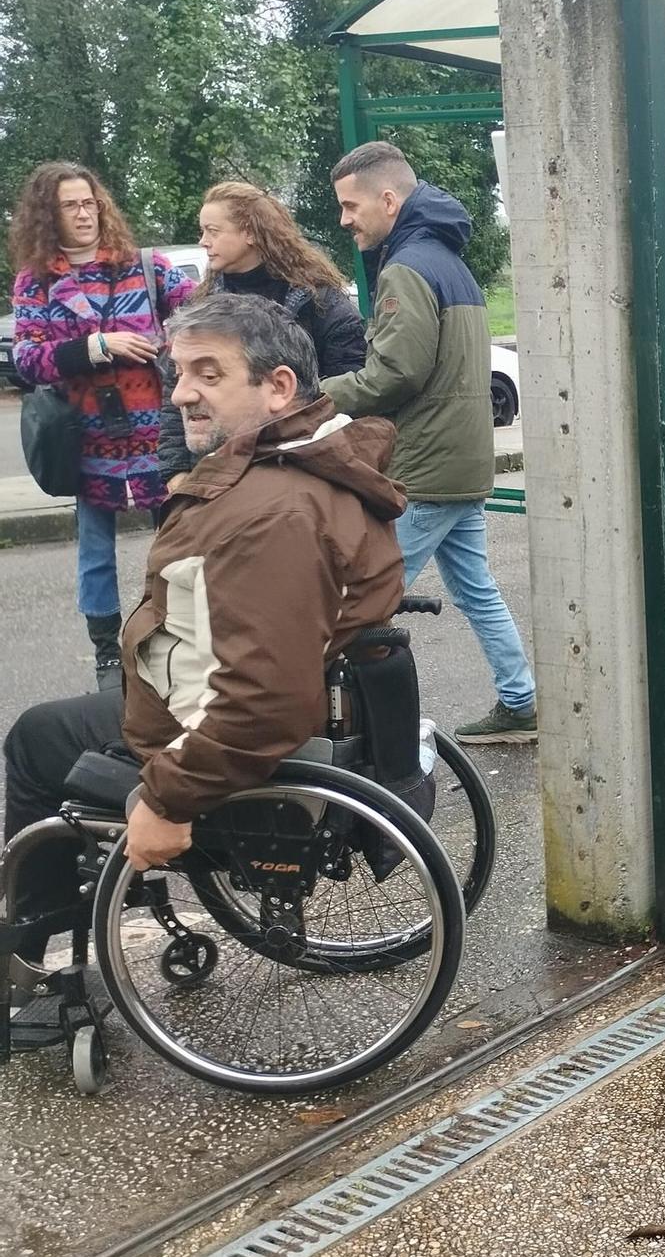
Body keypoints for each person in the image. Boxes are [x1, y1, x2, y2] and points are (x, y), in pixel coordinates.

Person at [2, 293, 405, 970]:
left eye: (208, 374)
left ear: (279, 388)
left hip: (212, 735)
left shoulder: (270, 512)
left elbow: (262, 702)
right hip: (234, 691)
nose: (181, 392)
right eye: (179, 371)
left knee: (39, 738)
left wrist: (166, 799)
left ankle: (32, 963)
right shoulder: (304, 463)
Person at [321, 140, 536, 746]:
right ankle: (520, 700)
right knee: (475, 588)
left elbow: (397, 373)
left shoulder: (406, 267)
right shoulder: (448, 260)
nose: (345, 220)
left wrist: (318, 396)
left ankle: (365, 735)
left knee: (361, 600)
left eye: (349, 205)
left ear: (387, 199)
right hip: (462, 458)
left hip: (425, 467)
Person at [8, 161, 194, 689]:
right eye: (70, 205)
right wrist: (97, 346)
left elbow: (204, 318)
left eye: (89, 202)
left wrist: (179, 346)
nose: (84, 213)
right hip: (88, 437)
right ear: (50, 213)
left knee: (177, 542)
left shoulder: (147, 268)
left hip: (161, 432)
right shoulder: (36, 282)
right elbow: (27, 361)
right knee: (95, 551)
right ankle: (107, 654)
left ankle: (176, 633)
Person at [152, 181, 368, 484]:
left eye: (213, 231)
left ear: (251, 232)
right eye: (202, 232)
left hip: (301, 470)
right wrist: (176, 472)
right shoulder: (200, 305)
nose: (203, 241)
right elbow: (175, 389)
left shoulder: (319, 301)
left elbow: (351, 388)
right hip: (216, 472)